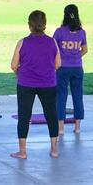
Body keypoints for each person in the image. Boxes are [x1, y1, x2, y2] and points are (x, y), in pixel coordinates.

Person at [10, 10, 61, 159]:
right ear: (44, 24)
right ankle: (54, 150)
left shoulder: (22, 42)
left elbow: (13, 65)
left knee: (24, 116)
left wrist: (21, 72)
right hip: (48, 83)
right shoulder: (52, 42)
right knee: (51, 114)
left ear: (29, 25)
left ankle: (23, 151)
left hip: (26, 83)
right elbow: (58, 63)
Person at [53, 4, 88, 134]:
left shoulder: (59, 31)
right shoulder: (81, 32)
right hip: (77, 68)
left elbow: (53, 48)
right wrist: (75, 56)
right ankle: (77, 127)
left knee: (61, 96)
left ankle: (61, 128)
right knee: (77, 96)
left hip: (62, 68)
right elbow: (85, 50)